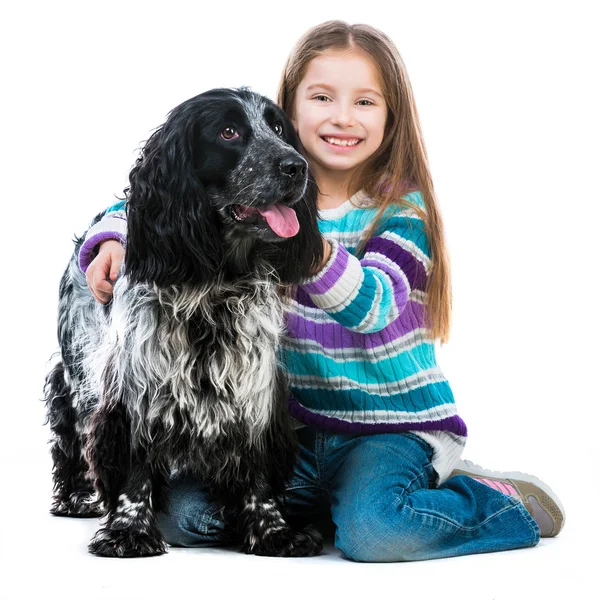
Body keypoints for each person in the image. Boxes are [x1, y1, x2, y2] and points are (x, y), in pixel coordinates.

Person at [77, 20, 564, 561]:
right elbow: (160, 194)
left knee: (376, 533)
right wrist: (111, 236)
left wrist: (307, 247)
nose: (342, 116)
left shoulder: (400, 212)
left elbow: (376, 303)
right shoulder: (254, 209)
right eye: (323, 97)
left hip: (389, 431)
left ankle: (491, 501)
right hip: (301, 433)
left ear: (391, 117)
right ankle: (348, 503)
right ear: (292, 110)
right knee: (188, 516)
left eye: (365, 102)